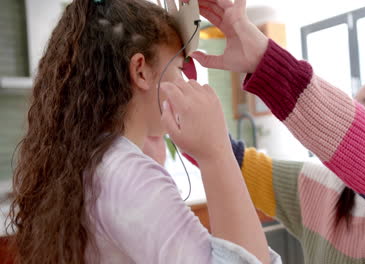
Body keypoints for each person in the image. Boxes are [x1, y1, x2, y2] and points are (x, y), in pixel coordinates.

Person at [188, 0, 365, 263]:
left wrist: (265, 61)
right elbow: (227, 158)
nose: (355, 118)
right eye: (353, 108)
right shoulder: (320, 190)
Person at [6, 0, 280, 263]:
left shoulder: (90, 162)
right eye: (176, 67)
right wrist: (215, 151)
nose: (184, 79)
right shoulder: (128, 173)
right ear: (141, 71)